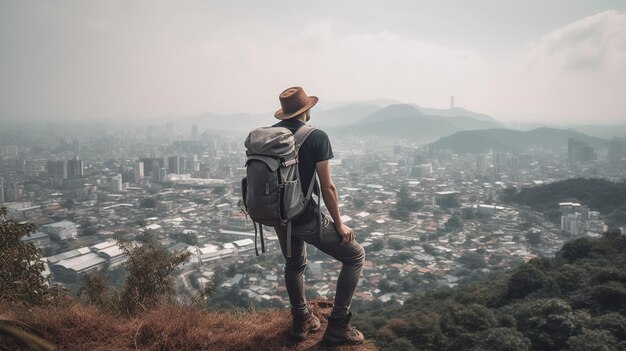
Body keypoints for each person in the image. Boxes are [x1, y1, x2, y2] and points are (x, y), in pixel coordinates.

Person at [271, 86, 365, 346]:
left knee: (294, 265)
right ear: (307, 109)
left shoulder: (271, 134)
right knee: (355, 255)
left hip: (278, 216)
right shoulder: (316, 136)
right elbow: (327, 187)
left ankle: (302, 320)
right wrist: (339, 223)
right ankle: (338, 325)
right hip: (304, 216)